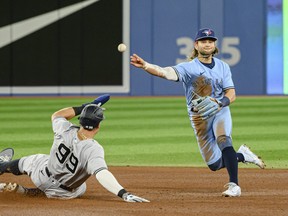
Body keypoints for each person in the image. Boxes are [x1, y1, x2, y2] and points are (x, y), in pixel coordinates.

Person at [130, 28, 265, 197]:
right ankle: (242, 156)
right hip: (199, 117)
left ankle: (234, 185)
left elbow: (231, 93)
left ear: (214, 44)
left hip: (219, 110)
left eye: (210, 41)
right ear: (196, 45)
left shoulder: (223, 67)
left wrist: (221, 102)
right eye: (203, 41)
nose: (207, 44)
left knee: (224, 140)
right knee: (214, 164)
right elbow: (166, 73)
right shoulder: (188, 68)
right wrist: (146, 66)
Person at [0, 94, 149, 202]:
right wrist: (123, 193)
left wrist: (86, 106)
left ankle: (3, 166)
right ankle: (25, 192)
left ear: (81, 120)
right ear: (98, 126)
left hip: (41, 174)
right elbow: (102, 174)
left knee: (31, 160)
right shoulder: (93, 149)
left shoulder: (65, 128)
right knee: (81, 187)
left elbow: (57, 115)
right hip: (62, 193)